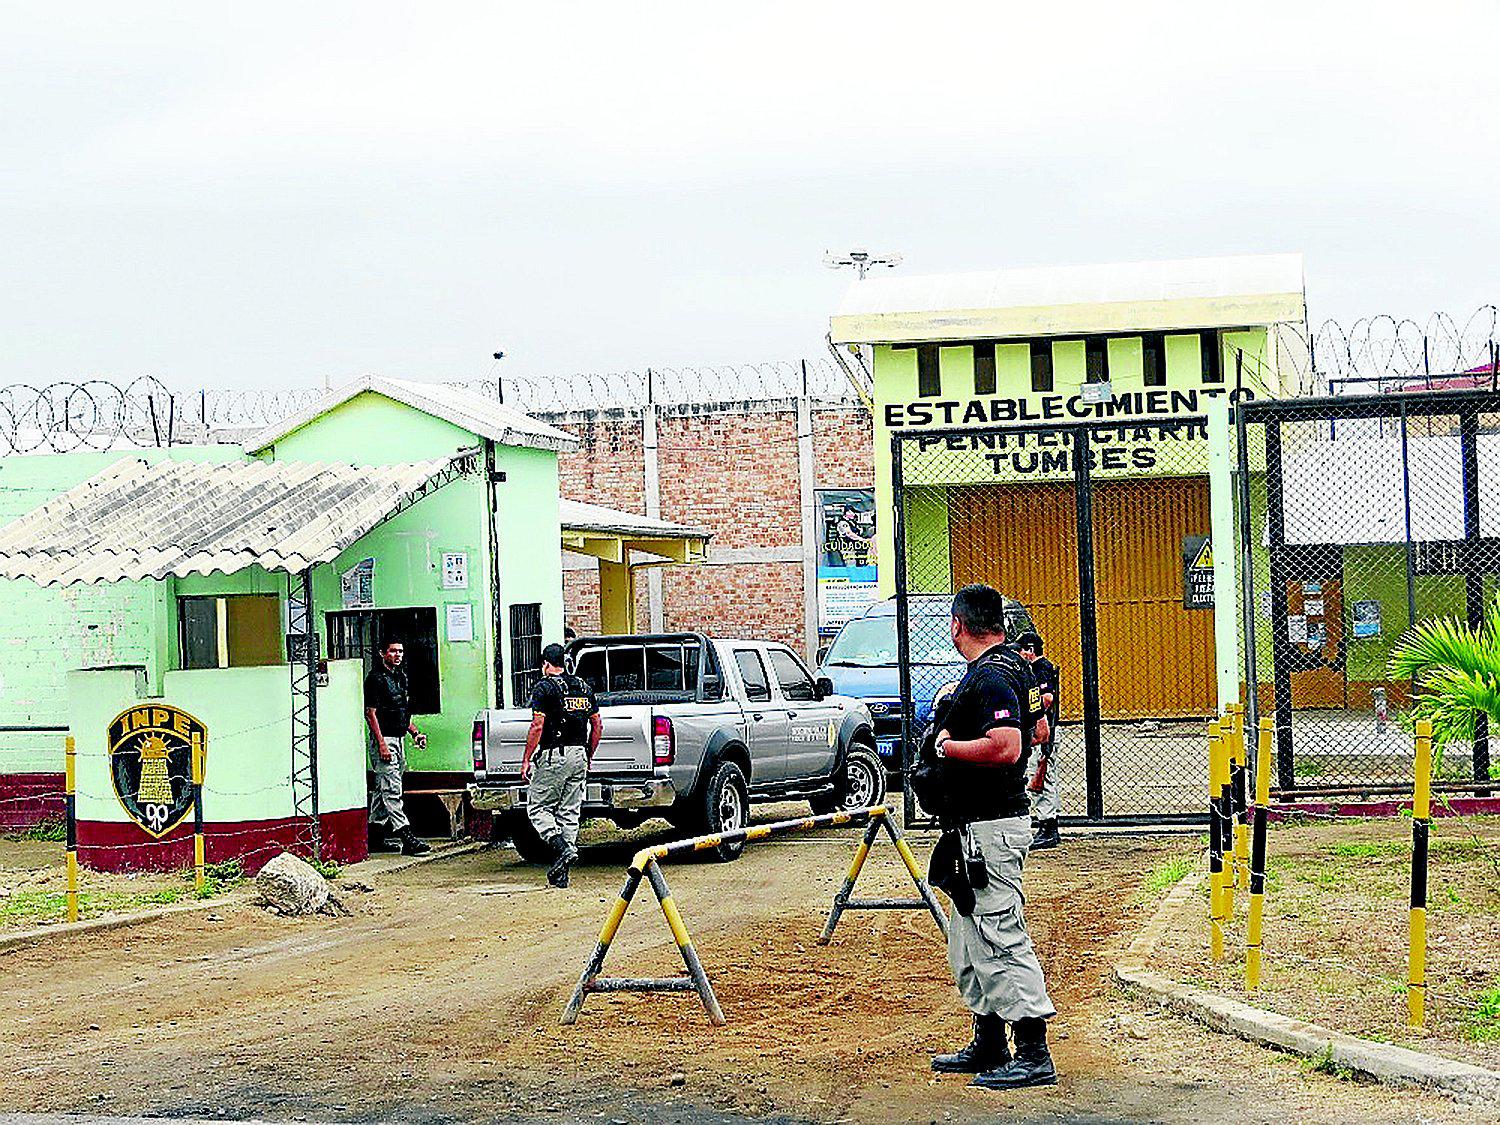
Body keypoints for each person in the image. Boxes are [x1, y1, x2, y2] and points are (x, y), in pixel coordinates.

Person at [925, 584, 1057, 1090]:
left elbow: (1007, 747)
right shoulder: (1014, 670)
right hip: (972, 827)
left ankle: (1032, 1050)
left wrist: (948, 747)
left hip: (990, 827)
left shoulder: (993, 678)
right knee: (968, 937)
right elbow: (1040, 732)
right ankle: (989, 1040)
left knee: (999, 935)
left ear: (958, 624)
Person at [521, 642, 602, 888]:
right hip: (579, 755)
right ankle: (561, 873)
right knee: (569, 812)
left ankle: (560, 847)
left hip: (554, 755)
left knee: (537, 808)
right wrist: (589, 754)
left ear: (546, 664)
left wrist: (526, 758)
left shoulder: (544, 688)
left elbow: (537, 726)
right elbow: (597, 725)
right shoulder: (583, 687)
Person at [364, 639, 431, 857]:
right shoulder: (375, 678)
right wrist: (382, 743)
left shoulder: (400, 676)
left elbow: (401, 710)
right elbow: (370, 713)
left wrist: (415, 732)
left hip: (399, 737)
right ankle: (406, 837)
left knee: (383, 788)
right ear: (382, 652)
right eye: (393, 651)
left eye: (401, 651)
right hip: (385, 739)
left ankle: (374, 835)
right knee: (392, 789)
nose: (398, 655)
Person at [1017, 631, 1062, 849]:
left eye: (1021, 649)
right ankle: (1046, 825)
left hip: (1045, 729)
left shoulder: (1041, 668)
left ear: (1030, 650)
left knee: (1043, 779)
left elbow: (1047, 699)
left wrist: (1028, 713)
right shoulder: (1034, 669)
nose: (1019, 653)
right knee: (1039, 777)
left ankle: (1048, 827)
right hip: (1041, 729)